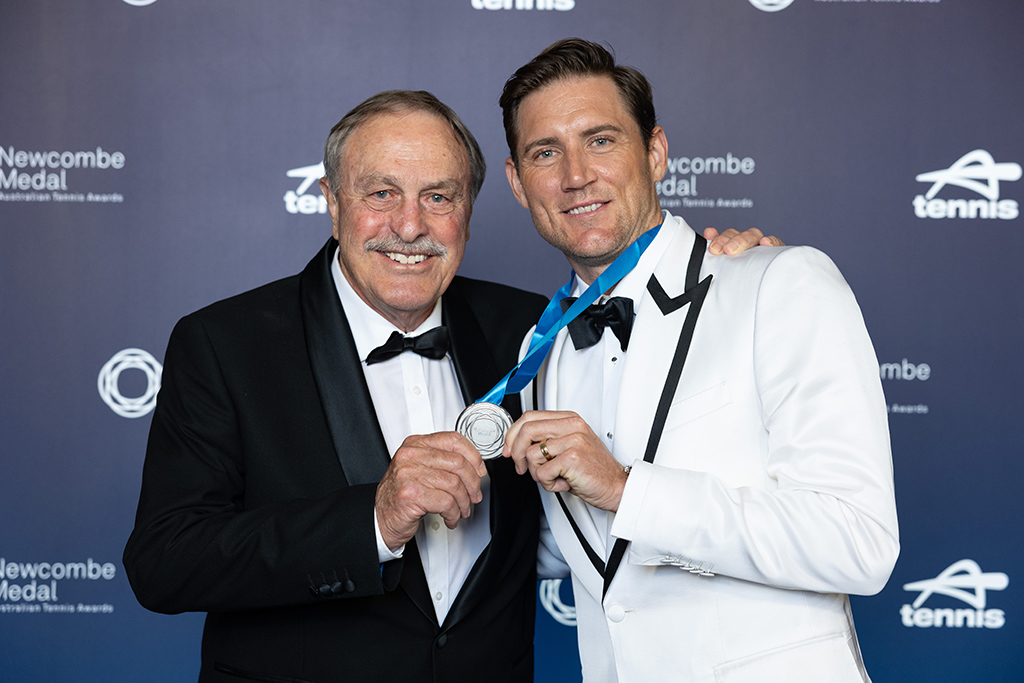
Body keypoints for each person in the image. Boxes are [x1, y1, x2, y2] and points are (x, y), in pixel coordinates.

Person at [122, 88, 775, 682]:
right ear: (331, 201)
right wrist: (372, 520)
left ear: (469, 208)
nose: (410, 226)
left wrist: (733, 274)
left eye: (439, 196)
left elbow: (667, 347)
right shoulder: (225, 342)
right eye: (381, 194)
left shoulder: (534, 329)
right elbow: (165, 561)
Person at [501, 39, 899, 682]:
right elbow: (581, 554)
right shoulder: (537, 353)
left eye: (601, 140)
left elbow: (858, 541)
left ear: (655, 153)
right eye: (546, 153)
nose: (576, 175)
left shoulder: (777, 283)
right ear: (520, 184)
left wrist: (629, 489)